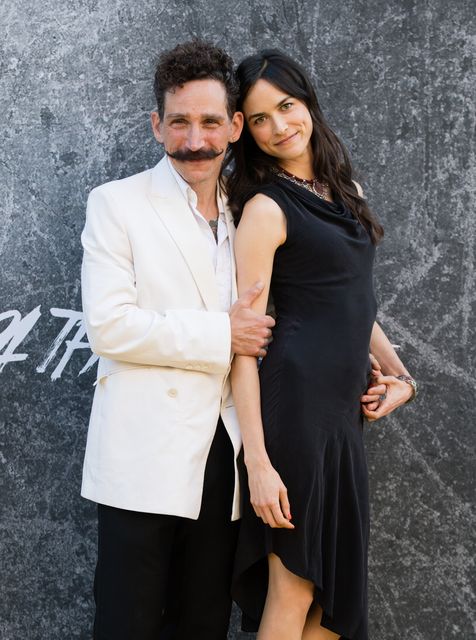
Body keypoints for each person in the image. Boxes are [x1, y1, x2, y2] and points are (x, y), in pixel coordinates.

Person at [80, 40, 277, 640]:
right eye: (180, 122)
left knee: (204, 623)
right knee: (128, 624)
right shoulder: (116, 204)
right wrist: (225, 333)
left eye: (211, 121)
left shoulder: (251, 213)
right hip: (142, 455)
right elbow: (110, 327)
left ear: (236, 126)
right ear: (157, 126)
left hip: (225, 455)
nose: (197, 140)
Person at [228, 50, 418, 640]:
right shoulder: (264, 209)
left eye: (286, 107)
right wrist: (257, 463)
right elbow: (243, 344)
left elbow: (354, 303)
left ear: (306, 101)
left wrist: (402, 376)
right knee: (296, 587)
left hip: (341, 417)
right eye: (260, 119)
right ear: (246, 131)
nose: (279, 126)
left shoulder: (344, 189)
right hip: (298, 411)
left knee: (329, 603)